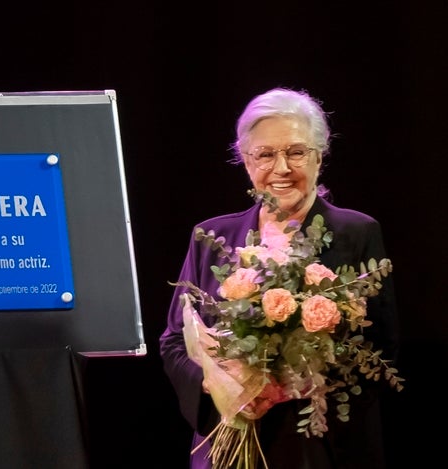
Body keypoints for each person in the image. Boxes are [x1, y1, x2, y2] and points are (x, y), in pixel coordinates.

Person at [159, 87, 400, 469]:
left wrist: (289, 382)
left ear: (320, 156)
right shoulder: (210, 238)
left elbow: (382, 346)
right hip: (227, 444)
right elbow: (174, 340)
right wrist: (217, 383)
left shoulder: (357, 233)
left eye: (296, 152)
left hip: (317, 446)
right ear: (245, 160)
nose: (282, 168)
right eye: (266, 154)